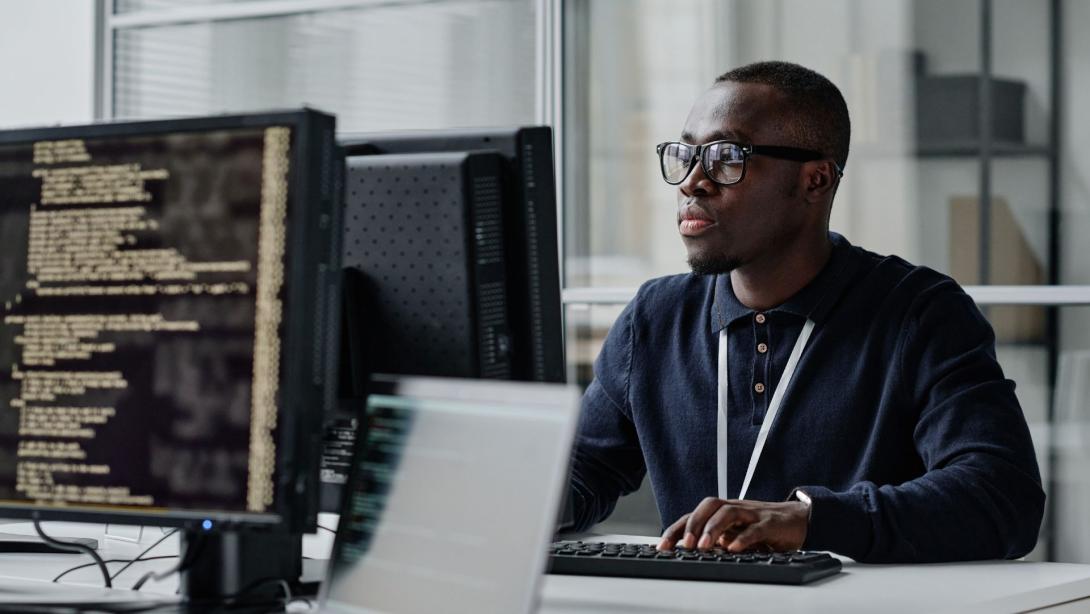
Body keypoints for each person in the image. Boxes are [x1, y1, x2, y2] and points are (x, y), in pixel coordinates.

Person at [566, 60, 1044, 564]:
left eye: (727, 157)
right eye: (686, 154)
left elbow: (1002, 497)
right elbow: (581, 474)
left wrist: (811, 520)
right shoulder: (655, 318)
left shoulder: (918, 313)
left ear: (816, 181)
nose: (692, 181)